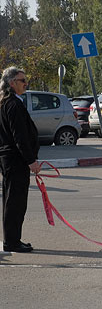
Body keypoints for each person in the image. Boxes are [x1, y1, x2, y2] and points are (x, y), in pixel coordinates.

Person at [0, 67, 40, 253]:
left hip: (9, 159)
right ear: (11, 83)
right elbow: (20, 137)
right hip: (15, 160)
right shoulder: (13, 105)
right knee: (15, 201)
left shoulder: (6, 103)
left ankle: (12, 239)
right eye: (22, 80)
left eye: (25, 79)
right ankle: (12, 241)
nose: (26, 83)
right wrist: (31, 161)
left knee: (12, 200)